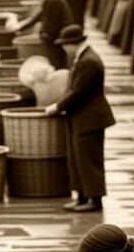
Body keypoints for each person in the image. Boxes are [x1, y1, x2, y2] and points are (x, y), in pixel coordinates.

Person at [44, 23, 115, 213]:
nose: (64, 49)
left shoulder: (88, 62)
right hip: (81, 118)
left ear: (74, 43)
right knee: (77, 159)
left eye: (65, 45)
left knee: (89, 160)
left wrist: (57, 107)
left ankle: (95, 199)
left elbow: (78, 93)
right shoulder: (82, 58)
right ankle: (83, 196)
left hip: (90, 119)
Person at [10, 0, 73, 68]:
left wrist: (42, 35)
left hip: (59, 40)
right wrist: (20, 27)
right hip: (58, 37)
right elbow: (38, 17)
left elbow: (51, 27)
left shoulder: (52, 0)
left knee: (57, 64)